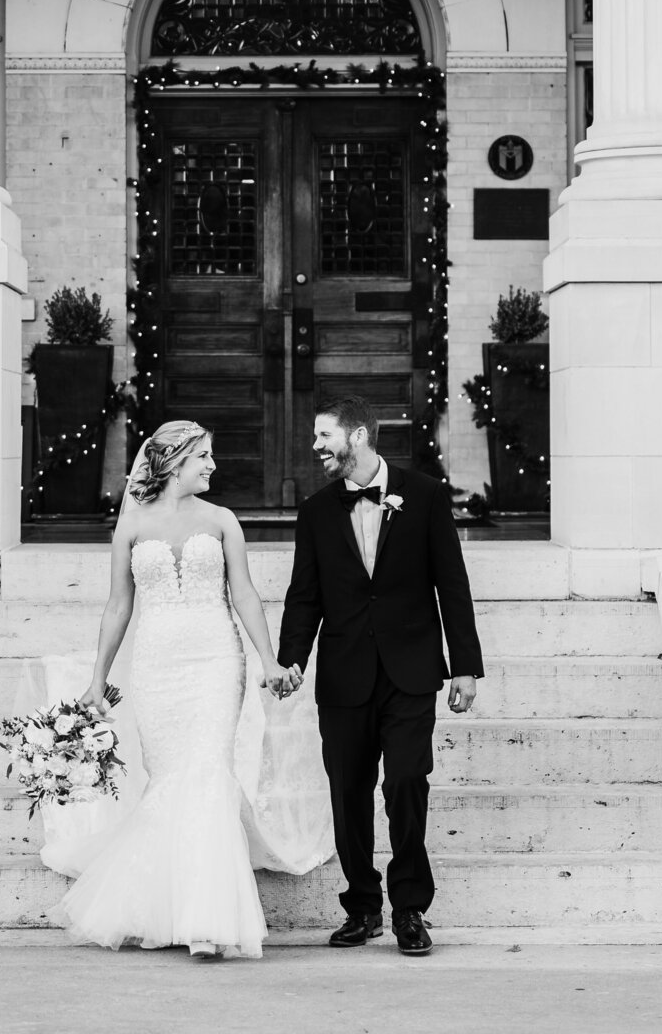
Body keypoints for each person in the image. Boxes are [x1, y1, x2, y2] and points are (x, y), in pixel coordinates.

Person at [58, 420, 299, 959]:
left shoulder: (222, 520)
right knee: (170, 777)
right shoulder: (130, 526)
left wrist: (268, 659)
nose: (213, 465)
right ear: (173, 463)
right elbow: (118, 605)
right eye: (203, 456)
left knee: (209, 772)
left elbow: (245, 594)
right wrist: (98, 678)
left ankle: (207, 919)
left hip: (216, 660)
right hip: (157, 666)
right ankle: (163, 908)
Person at [276, 394, 484, 957]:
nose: (316, 446)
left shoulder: (426, 495)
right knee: (348, 793)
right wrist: (292, 658)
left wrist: (465, 665)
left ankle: (410, 909)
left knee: (407, 783)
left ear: (359, 436)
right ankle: (362, 907)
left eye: (324, 436)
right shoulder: (316, 512)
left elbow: (452, 583)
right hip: (344, 674)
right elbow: (304, 595)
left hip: (411, 670)